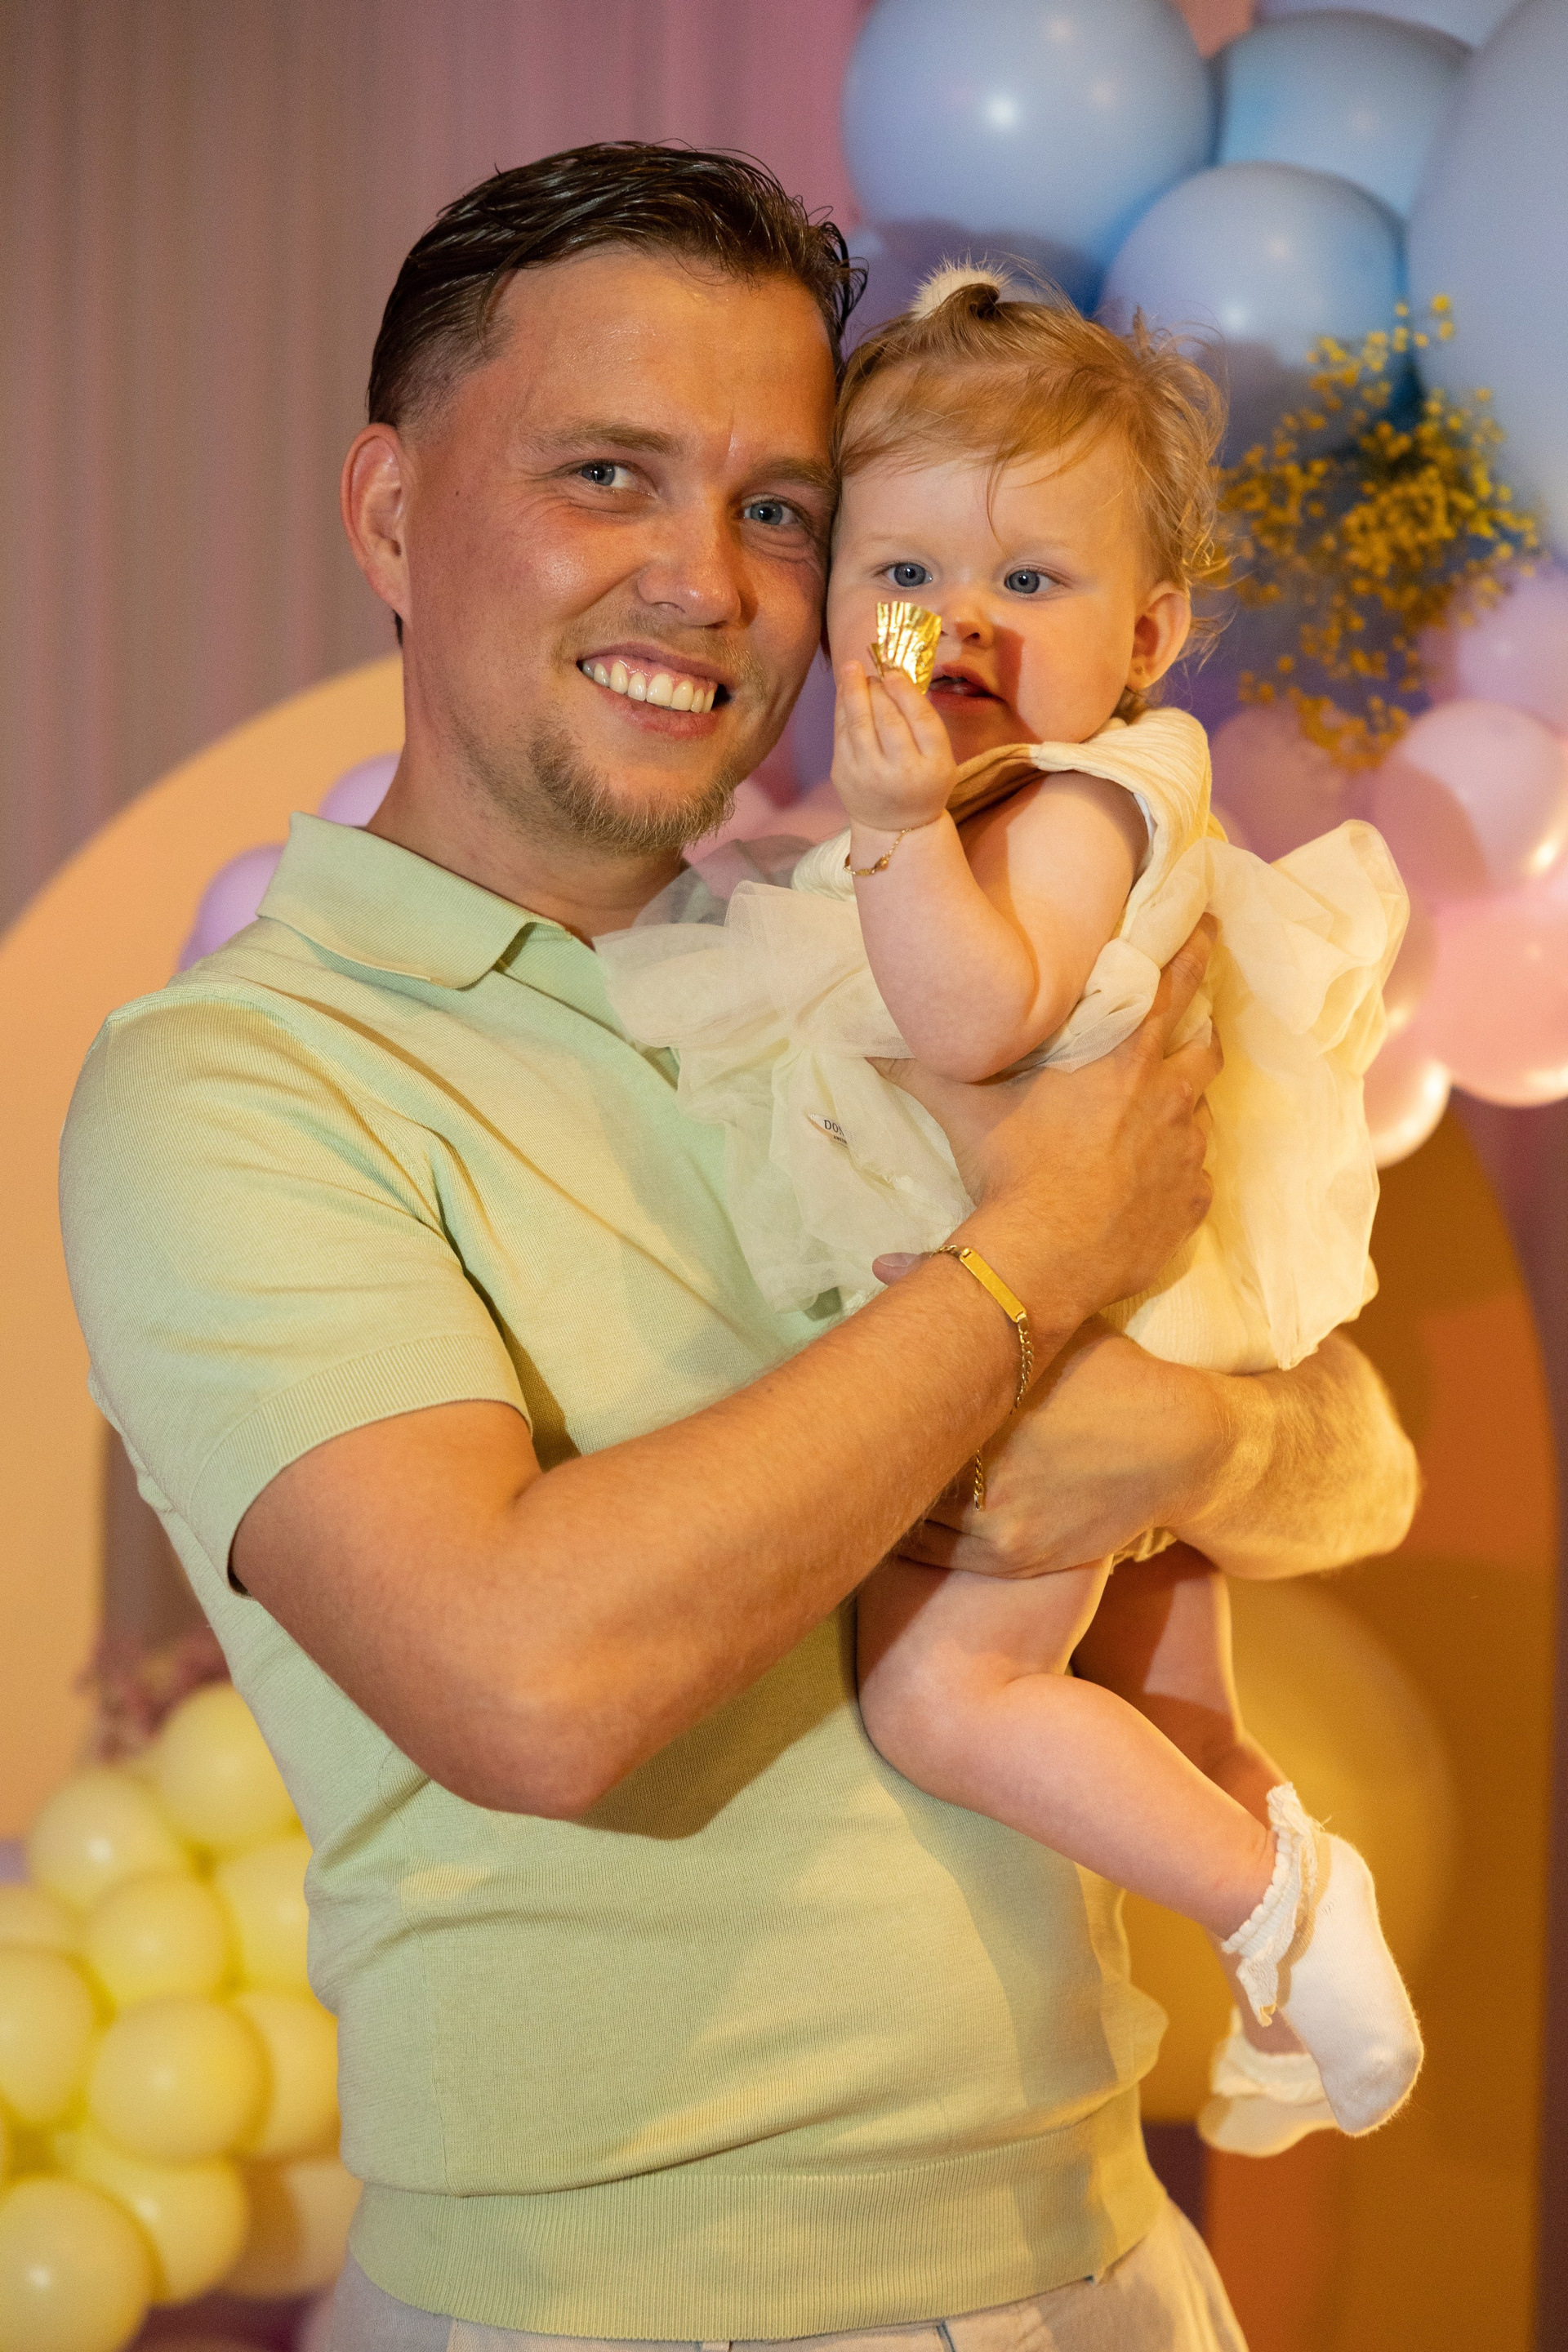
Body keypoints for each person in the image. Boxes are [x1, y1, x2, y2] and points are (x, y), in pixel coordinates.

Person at [60, 147, 1418, 2352]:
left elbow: (1356, 1452)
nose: (704, 580)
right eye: (607, 473)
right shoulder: (235, 1083)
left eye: (779, 508)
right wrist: (1029, 1273)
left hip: (1107, 2260)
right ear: (392, 515)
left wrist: (1202, 1445)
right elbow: (527, 1686)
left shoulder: (865, 944)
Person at [599, 264, 1422, 2162]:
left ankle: (1277, 1911)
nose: (960, 620)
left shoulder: (1073, 807)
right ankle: (1288, 1977)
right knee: (1159, 1713)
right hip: (1114, 1317)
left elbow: (977, 1016)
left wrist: (894, 834)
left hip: (1085, 1345)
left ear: (1151, 632)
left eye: (1032, 581)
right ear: (832, 604)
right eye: (906, 575)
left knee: (944, 1695)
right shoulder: (961, 818)